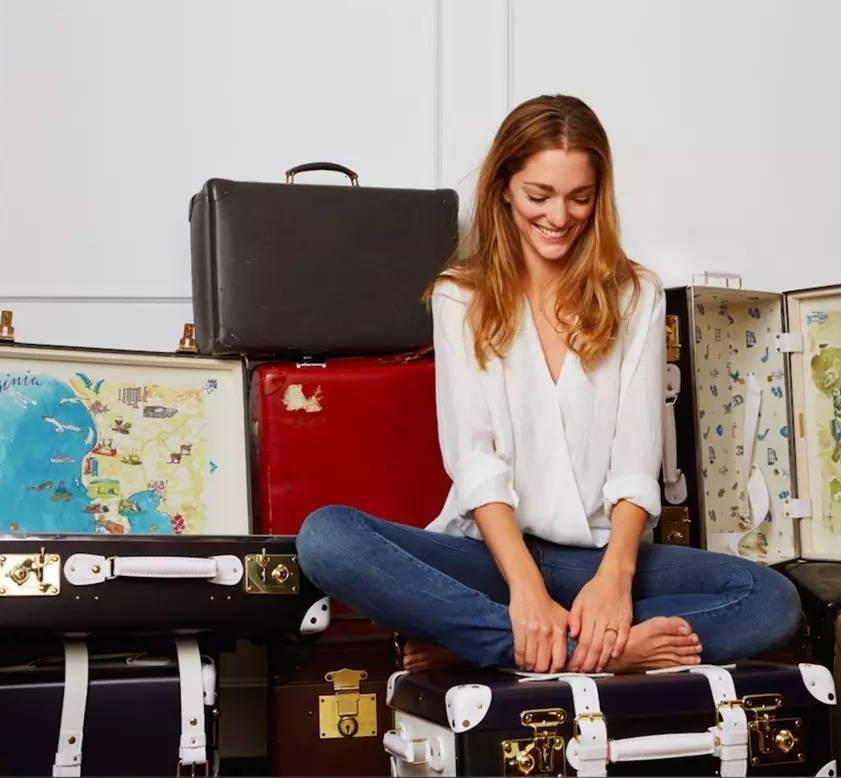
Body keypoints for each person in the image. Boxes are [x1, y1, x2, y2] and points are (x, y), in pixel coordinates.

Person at [296, 95, 801, 674]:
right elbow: (475, 463)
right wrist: (527, 592)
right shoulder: (460, 296)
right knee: (326, 538)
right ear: (504, 188)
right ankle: (588, 652)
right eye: (539, 196)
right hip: (489, 556)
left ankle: (488, 643)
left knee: (770, 600)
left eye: (579, 197)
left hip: (597, 557)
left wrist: (614, 582)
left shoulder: (635, 295)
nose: (559, 217)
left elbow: (635, 464)